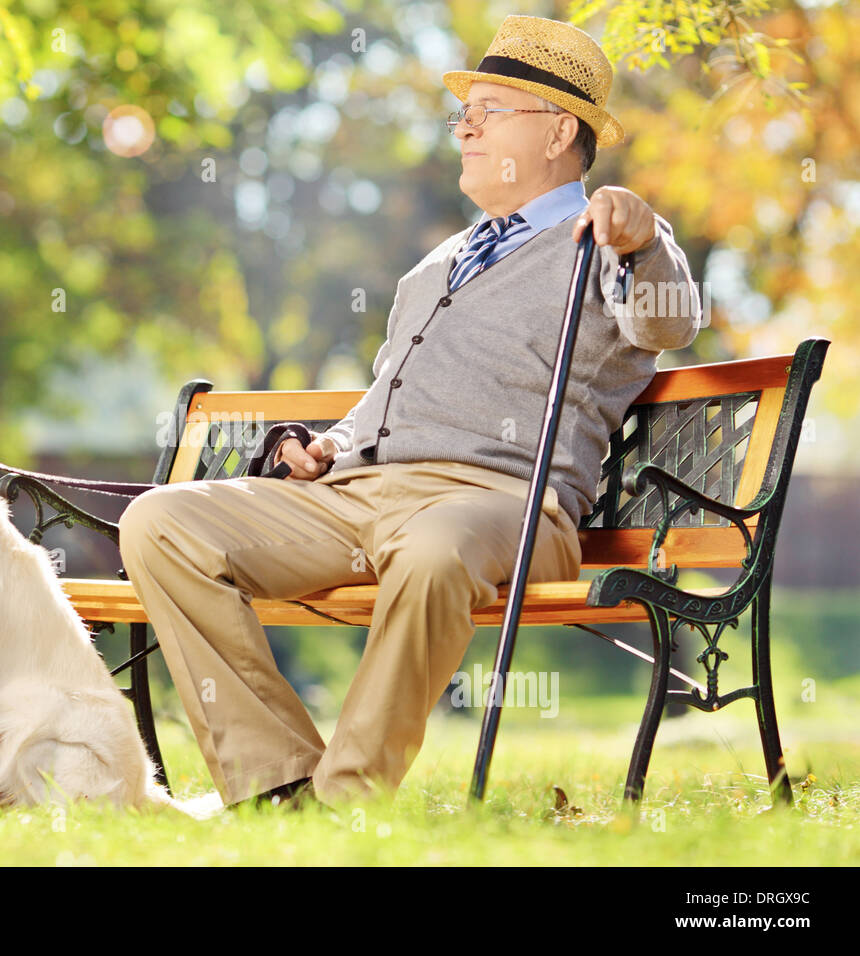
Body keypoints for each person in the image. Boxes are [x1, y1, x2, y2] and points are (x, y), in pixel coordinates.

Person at [117, 15, 701, 809]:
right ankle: (276, 782)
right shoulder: (439, 261)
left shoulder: (604, 236)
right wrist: (329, 447)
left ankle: (344, 798)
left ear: (560, 129)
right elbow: (388, 393)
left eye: (489, 110)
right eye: (465, 111)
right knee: (162, 522)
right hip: (358, 497)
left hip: (505, 508)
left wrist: (642, 241)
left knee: (432, 547)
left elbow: (666, 324)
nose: (464, 126)